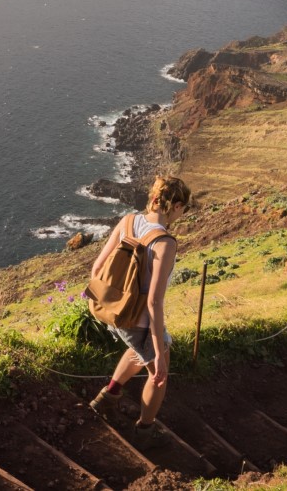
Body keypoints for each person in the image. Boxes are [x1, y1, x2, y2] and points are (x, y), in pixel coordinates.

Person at [87, 175, 191, 445]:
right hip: (140, 321)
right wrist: (158, 350)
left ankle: (107, 398)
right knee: (158, 375)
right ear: (176, 206)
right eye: (184, 208)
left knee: (136, 351)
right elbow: (154, 302)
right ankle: (145, 430)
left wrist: (106, 303)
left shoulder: (128, 222)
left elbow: (97, 269)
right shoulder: (165, 243)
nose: (183, 213)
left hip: (113, 310)